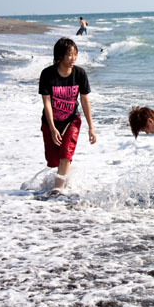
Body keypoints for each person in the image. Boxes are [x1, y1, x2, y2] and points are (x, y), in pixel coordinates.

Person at [38, 38, 96, 197]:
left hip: (72, 120)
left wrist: (91, 127)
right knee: (53, 160)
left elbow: (84, 100)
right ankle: (61, 179)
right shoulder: (47, 74)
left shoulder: (80, 74)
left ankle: (58, 189)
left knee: (66, 153)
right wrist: (52, 128)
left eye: (75, 54)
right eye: (69, 55)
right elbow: (46, 102)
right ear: (60, 55)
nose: (73, 58)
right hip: (51, 122)